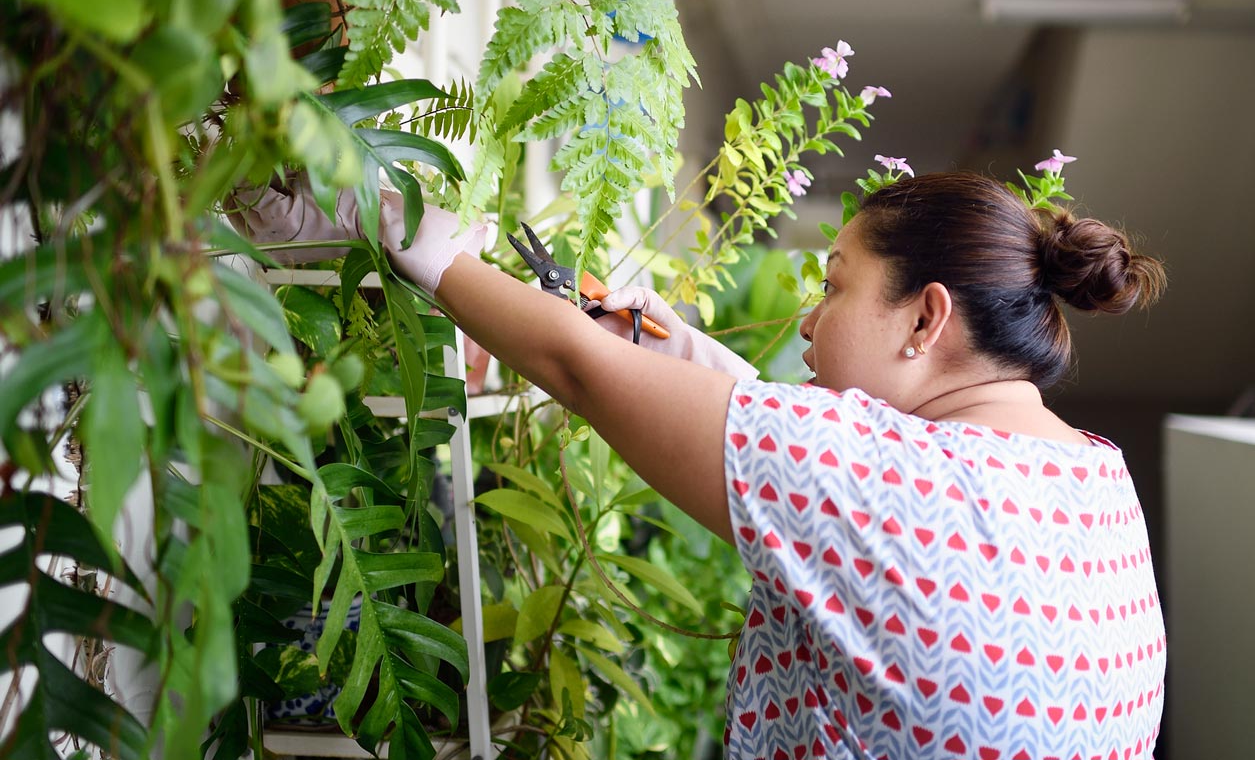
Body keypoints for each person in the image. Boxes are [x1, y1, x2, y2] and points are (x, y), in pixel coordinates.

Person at [234, 169, 1167, 760]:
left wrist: (409, 235)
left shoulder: (883, 481)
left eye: (833, 285)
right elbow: (829, 464)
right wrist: (680, 354)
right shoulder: (1092, 478)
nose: (807, 320)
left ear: (926, 319)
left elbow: (577, 367)